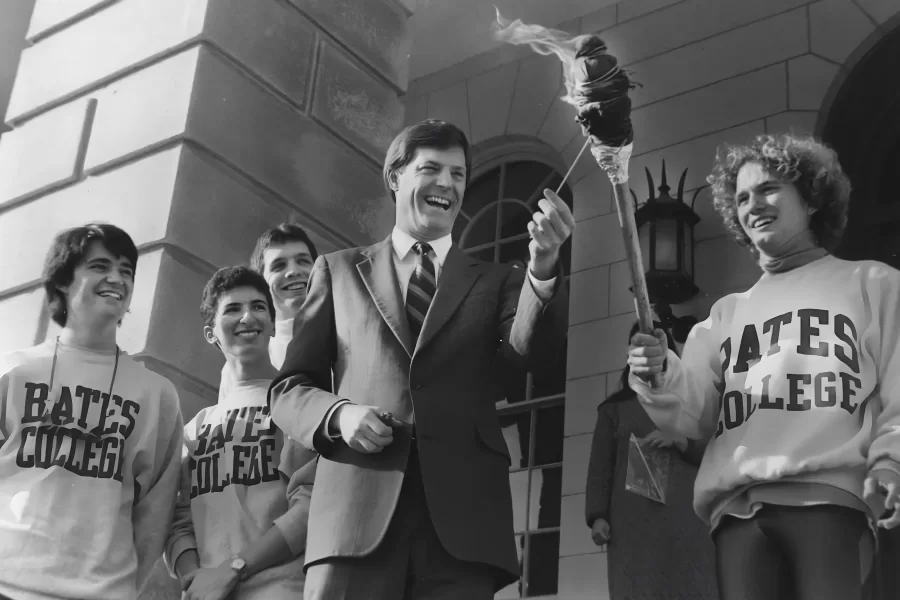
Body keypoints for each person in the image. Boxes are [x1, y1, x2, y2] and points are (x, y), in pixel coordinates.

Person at [268, 118, 574, 599]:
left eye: (458, 174)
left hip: (461, 532)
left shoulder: (498, 280)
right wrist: (338, 415)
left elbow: (528, 355)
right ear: (395, 177)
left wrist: (542, 268)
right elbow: (289, 390)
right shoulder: (339, 271)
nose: (447, 184)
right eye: (431, 168)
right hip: (353, 522)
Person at [626, 133, 900, 600]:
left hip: (831, 503)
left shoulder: (874, 284)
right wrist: (656, 371)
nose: (753, 204)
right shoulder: (724, 316)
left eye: (769, 189)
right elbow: (688, 410)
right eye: (742, 198)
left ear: (812, 198)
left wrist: (891, 463)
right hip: (736, 518)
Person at [0, 223, 184, 600]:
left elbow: (155, 515)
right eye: (99, 266)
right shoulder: (13, 371)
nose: (116, 277)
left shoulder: (157, 395)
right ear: (64, 281)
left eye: (126, 269)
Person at [166, 266, 318, 599]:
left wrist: (233, 570)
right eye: (233, 309)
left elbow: (309, 510)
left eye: (259, 307)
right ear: (211, 333)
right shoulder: (196, 427)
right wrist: (197, 580)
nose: (247, 317)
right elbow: (178, 521)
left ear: (274, 324)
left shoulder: (298, 404)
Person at [586, 320, 718, 600]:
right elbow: (600, 466)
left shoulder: (694, 401)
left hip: (688, 515)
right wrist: (597, 516)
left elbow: (718, 451)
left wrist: (682, 441)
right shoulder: (614, 410)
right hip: (633, 520)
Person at [249, 223, 319, 369]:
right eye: (279, 266)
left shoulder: (351, 331)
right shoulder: (250, 360)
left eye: (303, 261)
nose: (293, 271)